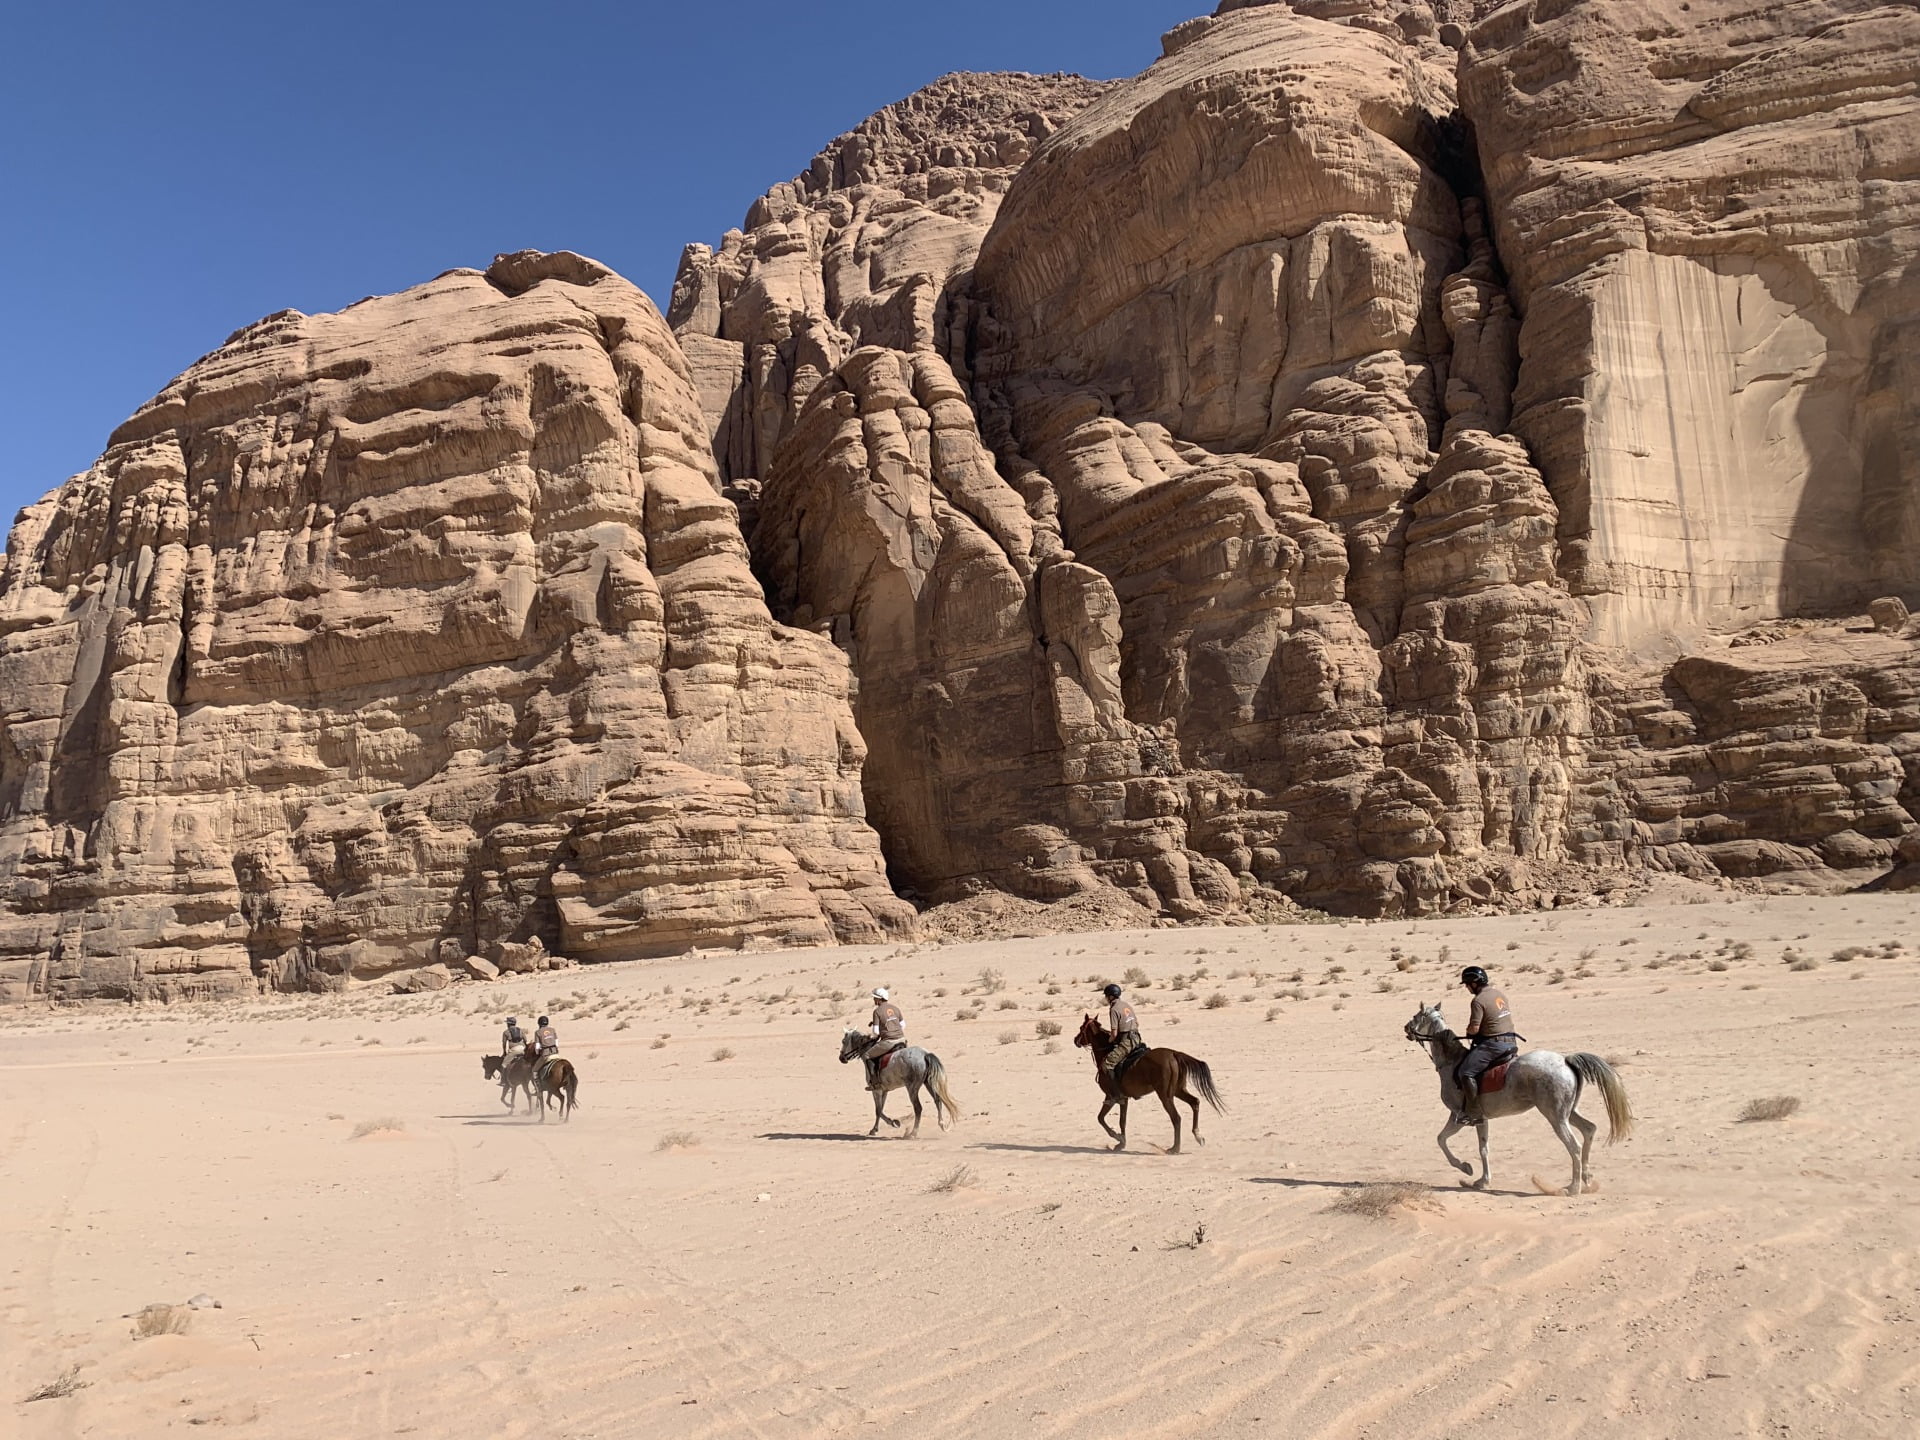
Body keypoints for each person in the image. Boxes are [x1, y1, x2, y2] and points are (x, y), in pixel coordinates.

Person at [1455, 966, 1517, 1125]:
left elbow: (1474, 1028)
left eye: (1467, 984)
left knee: (1466, 1072)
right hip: (1511, 1041)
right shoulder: (1499, 994)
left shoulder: (1478, 1001)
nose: (1467, 988)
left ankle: (1474, 1113)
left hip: (1494, 1045)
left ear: (1474, 983)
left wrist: (1469, 1032)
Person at [1098, 982, 1144, 1086]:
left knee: (1107, 1064)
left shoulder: (1114, 1009)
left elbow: (1114, 1034)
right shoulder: (1126, 1005)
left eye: (1106, 996)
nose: (1106, 998)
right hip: (1137, 1038)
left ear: (1110, 996)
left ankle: (1116, 1092)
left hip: (1127, 1042)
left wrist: (1109, 1041)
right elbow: (1137, 1023)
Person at [863, 987, 905, 1092]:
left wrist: (873, 1035)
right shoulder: (895, 1008)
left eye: (875, 998)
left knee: (867, 1055)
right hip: (902, 1040)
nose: (874, 1000)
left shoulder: (877, 1011)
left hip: (889, 1042)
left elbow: (876, 1032)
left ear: (879, 999)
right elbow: (903, 1025)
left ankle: (875, 1083)